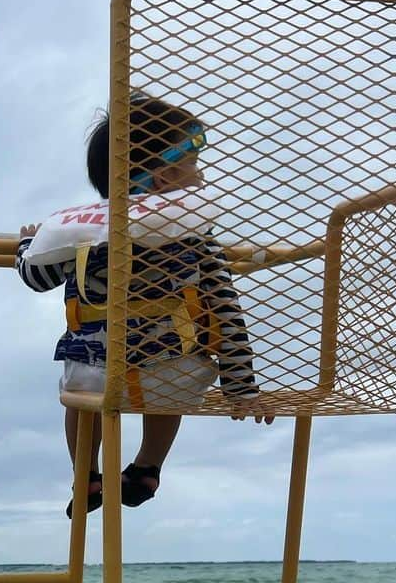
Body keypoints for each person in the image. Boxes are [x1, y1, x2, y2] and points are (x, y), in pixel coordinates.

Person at [16, 92, 273, 517]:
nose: (202, 179)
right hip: (169, 376)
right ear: (165, 178)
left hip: (92, 378)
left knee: (76, 399)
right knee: (176, 377)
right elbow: (227, 311)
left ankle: (87, 475)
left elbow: (35, 277)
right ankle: (149, 464)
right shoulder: (195, 237)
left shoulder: (81, 231)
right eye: (194, 167)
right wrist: (240, 388)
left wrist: (26, 244)